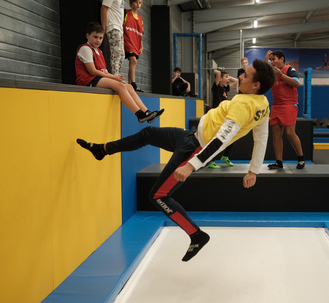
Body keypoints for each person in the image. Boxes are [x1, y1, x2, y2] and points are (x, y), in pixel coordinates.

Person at [77, 59, 275, 261]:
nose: (240, 76)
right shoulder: (262, 103)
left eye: (246, 75)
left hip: (195, 150)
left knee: (159, 195)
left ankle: (196, 235)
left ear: (256, 85)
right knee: (148, 133)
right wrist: (253, 171)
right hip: (191, 137)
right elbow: (262, 136)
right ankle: (103, 150)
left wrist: (191, 165)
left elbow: (221, 140)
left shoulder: (243, 104)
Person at [75, 22, 163, 123]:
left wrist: (115, 77)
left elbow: (104, 72)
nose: (98, 40)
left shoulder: (99, 51)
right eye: (95, 37)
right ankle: (139, 114)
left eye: (100, 38)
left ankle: (146, 112)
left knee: (129, 86)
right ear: (87, 35)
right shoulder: (85, 49)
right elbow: (92, 71)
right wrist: (114, 78)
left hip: (97, 79)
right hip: (87, 80)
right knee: (120, 86)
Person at [264, 50, 305, 170]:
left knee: (290, 133)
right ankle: (279, 162)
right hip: (276, 105)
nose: (272, 62)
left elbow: (296, 83)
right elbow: (263, 71)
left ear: (282, 59)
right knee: (276, 133)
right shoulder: (272, 71)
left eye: (274, 59)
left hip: (289, 104)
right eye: (271, 60)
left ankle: (301, 158)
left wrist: (281, 75)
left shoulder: (289, 69)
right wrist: (266, 58)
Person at [208, 68, 238, 168]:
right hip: (216, 117)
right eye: (226, 77)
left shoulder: (225, 89)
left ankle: (224, 157)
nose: (228, 79)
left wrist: (226, 77)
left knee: (232, 136)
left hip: (224, 117)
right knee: (216, 139)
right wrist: (220, 76)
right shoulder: (216, 87)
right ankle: (211, 161)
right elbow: (217, 72)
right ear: (219, 79)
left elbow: (236, 81)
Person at [123, 0, 144, 92]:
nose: (138, 5)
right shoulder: (126, 13)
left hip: (136, 44)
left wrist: (141, 46)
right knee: (133, 60)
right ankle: (133, 84)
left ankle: (130, 84)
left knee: (133, 64)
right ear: (131, 4)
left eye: (140, 3)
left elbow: (141, 34)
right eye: (136, 2)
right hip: (128, 42)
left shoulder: (140, 19)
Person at [101, 0, 124, 76]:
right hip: (113, 26)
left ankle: (117, 75)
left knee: (121, 55)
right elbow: (104, 8)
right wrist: (103, 27)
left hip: (119, 28)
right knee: (116, 54)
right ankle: (115, 77)